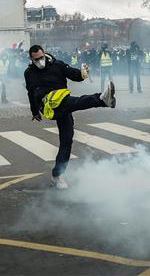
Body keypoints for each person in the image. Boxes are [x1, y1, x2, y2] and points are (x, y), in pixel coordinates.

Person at [24, 44, 116, 190]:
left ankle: (57, 174)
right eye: (36, 59)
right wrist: (34, 111)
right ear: (31, 59)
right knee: (66, 100)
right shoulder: (29, 73)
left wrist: (83, 73)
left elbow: (75, 75)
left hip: (63, 102)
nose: (39, 61)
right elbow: (30, 92)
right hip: (47, 104)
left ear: (45, 54)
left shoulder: (58, 65)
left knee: (66, 140)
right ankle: (101, 99)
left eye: (41, 57)